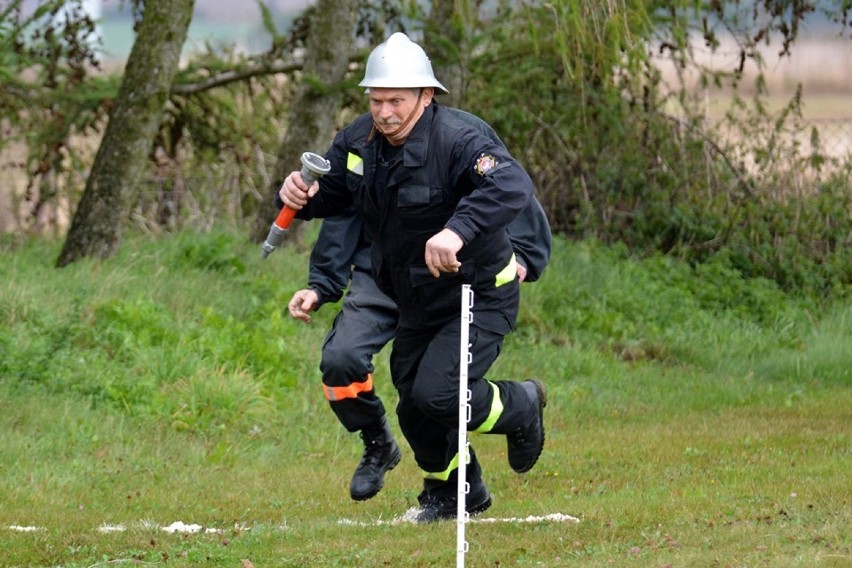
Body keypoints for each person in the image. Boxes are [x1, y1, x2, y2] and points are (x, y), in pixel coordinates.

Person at [277, 32, 547, 522]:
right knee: (412, 407)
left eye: (396, 101)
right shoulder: (359, 139)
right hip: (414, 295)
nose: (384, 112)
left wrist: (456, 231)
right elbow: (337, 192)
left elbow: (512, 184)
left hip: (478, 290)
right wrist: (304, 196)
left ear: (426, 96)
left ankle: (521, 405)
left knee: (439, 395)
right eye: (377, 100)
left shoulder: (461, 139)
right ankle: (455, 492)